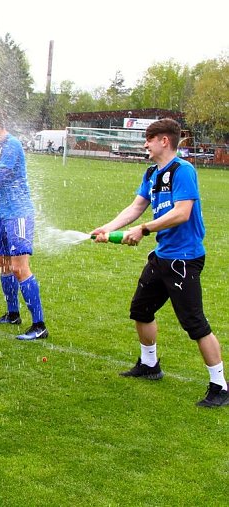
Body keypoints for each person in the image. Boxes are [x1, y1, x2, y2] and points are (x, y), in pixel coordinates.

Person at [92, 118, 228, 407]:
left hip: (184, 258)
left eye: (148, 139)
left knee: (195, 323)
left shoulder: (183, 171)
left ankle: (220, 386)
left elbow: (182, 213)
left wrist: (144, 229)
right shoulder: (152, 173)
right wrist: (107, 227)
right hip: (163, 256)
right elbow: (137, 206)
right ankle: (149, 365)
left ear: (164, 141)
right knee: (141, 309)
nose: (145, 145)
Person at [0, 107, 48, 341]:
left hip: (18, 214)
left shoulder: (12, 145)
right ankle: (13, 313)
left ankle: (39, 325)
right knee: (3, 265)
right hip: (4, 214)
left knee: (19, 268)